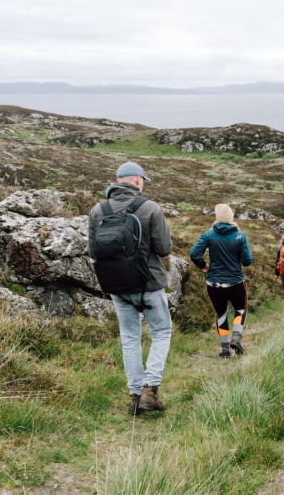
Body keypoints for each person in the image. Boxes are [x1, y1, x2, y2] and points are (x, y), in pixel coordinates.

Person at [87, 161, 173, 416]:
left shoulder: (97, 211)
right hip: (148, 283)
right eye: (143, 180)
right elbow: (164, 249)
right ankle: (150, 390)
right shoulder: (150, 208)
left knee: (130, 337)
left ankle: (135, 396)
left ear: (116, 181)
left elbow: (93, 252)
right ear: (137, 181)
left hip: (116, 285)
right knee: (161, 331)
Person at [189, 204, 253, 358]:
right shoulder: (240, 236)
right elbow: (247, 261)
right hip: (236, 282)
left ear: (217, 218)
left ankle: (225, 350)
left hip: (214, 284)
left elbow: (194, 254)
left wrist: (204, 267)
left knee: (221, 314)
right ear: (231, 219)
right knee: (240, 309)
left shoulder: (208, 235)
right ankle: (237, 337)